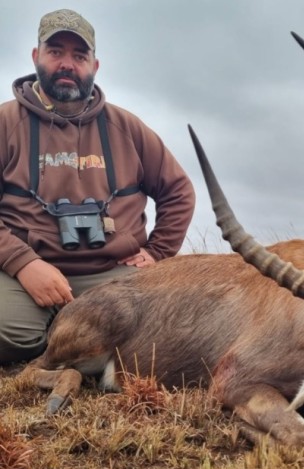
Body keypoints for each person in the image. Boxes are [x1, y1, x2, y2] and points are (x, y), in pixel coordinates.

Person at [0, 9, 196, 364]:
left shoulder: (127, 126)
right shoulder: (5, 122)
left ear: (95, 65)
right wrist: (23, 263)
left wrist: (157, 252)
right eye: (55, 52)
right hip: (27, 278)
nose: (67, 64)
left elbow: (179, 191)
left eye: (80, 56)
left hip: (112, 276)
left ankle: (71, 349)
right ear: (36, 56)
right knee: (8, 333)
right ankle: (79, 352)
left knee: (176, 336)